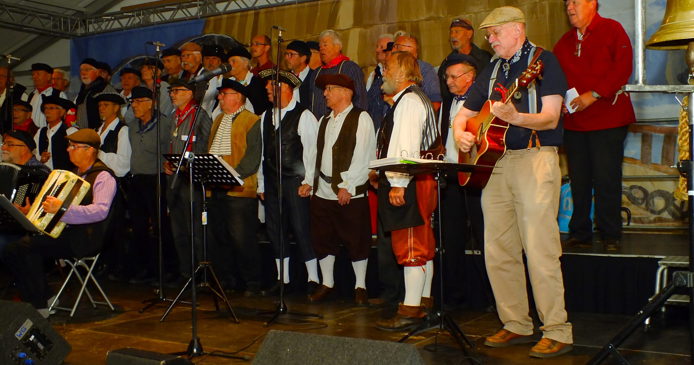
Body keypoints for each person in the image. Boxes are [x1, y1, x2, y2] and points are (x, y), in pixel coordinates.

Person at [452, 6, 573, 358]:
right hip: (495, 164)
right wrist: (461, 134)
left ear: (517, 30)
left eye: (494, 33)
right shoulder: (492, 69)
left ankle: (558, 330)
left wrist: (516, 116)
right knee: (498, 250)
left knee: (540, 249)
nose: (489, 39)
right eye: (488, 34)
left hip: (535, 160)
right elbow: (464, 114)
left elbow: (551, 119)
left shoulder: (544, 62)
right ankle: (516, 323)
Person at [2, 128, 117, 318]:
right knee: (15, 248)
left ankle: (40, 304)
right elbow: (54, 209)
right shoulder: (74, 174)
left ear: (90, 150)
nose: (68, 150)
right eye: (69, 146)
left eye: (74, 146)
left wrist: (63, 210)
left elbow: (100, 211)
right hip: (67, 233)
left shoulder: (104, 177)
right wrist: (31, 212)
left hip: (87, 238)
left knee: (23, 248)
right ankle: (43, 298)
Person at [554, 0, 635, 251]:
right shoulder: (564, 42)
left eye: (575, 2)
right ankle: (581, 232)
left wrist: (594, 94)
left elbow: (622, 68)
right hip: (575, 123)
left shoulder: (613, 29)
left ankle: (611, 234)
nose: (569, 7)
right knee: (578, 180)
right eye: (567, 3)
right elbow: (555, 77)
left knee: (606, 178)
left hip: (608, 119)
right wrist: (558, 101)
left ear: (593, 3)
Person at [373, 51, 439, 331]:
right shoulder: (412, 99)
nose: (383, 73)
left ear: (401, 72)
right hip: (420, 180)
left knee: (411, 244)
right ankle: (423, 302)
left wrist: (398, 183)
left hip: (411, 181)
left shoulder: (409, 102)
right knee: (422, 243)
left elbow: (406, 147)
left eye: (387, 68)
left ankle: (410, 311)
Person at [306, 74, 375, 306]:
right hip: (323, 189)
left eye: (329, 89)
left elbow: (363, 154)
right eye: (325, 89)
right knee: (323, 236)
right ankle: (327, 283)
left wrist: (348, 185)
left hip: (349, 190)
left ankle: (360, 286)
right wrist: (309, 180)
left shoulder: (361, 118)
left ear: (346, 92)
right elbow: (315, 153)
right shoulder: (325, 120)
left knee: (356, 237)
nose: (325, 94)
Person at [257, 69, 320, 294]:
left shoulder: (304, 115)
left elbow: (312, 151)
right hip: (273, 184)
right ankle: (282, 279)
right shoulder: (265, 116)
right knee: (276, 231)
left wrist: (309, 181)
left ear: (285, 89)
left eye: (270, 87)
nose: (267, 90)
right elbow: (263, 153)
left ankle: (313, 278)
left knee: (301, 228)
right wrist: (262, 184)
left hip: (295, 182)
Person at [206, 78, 263, 295]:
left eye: (224, 94)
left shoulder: (251, 120)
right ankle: (227, 280)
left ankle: (252, 282)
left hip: (239, 190)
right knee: (220, 238)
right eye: (220, 94)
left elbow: (253, 156)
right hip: (217, 188)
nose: (220, 97)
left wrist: (233, 175)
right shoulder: (218, 119)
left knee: (242, 238)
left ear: (238, 97)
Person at [163, 79, 212, 281]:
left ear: (190, 93)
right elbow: (169, 143)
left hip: (191, 177)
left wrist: (189, 164)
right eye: (171, 91)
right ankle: (186, 271)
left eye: (177, 91)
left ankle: (202, 271)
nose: (173, 94)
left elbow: (207, 145)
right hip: (173, 178)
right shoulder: (173, 116)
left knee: (194, 228)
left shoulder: (199, 115)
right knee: (178, 227)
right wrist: (166, 162)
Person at [125, 86, 173, 284]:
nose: (134, 106)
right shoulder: (131, 126)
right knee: (138, 226)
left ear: (151, 102)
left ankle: (167, 270)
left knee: (161, 226)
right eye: (132, 102)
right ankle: (144, 268)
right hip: (136, 180)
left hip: (157, 179)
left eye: (138, 102)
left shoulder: (165, 124)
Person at [439, 18, 492, 141]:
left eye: (457, 31)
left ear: (469, 34)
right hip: (451, 121)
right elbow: (444, 96)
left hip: (477, 123)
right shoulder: (446, 62)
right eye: (451, 32)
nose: (453, 36)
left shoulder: (485, 59)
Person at [307, 30, 367, 117]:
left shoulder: (350, 68)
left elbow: (361, 100)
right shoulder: (316, 73)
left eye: (325, 45)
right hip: (318, 126)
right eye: (320, 47)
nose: (321, 49)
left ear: (337, 47)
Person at [392, 34, 442, 113]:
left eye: (396, 46)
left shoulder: (425, 70)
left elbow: (435, 102)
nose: (393, 50)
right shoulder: (391, 69)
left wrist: (422, 121)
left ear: (411, 50)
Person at [34, 95, 77, 170]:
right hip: (44, 177)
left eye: (51, 108)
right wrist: (41, 160)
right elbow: (34, 155)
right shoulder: (41, 132)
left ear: (62, 112)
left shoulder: (70, 131)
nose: (47, 111)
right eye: (45, 108)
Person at [94, 92, 131, 178]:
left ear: (116, 108)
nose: (101, 108)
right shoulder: (97, 130)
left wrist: (97, 153)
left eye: (106, 105)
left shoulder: (123, 130)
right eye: (99, 105)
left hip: (113, 182)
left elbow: (123, 165)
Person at [75, 58, 117, 129]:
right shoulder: (83, 91)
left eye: (87, 70)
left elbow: (112, 113)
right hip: (83, 135)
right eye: (81, 70)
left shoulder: (105, 89)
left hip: (99, 134)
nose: (83, 73)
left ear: (97, 72)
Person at [365, 33, 393, 131]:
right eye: (377, 47)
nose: (377, 50)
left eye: (381, 47)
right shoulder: (373, 75)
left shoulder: (396, 76)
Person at [27, 63, 67, 129]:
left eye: (38, 74)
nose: (34, 77)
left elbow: (64, 117)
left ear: (48, 76)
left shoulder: (58, 94)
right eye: (33, 74)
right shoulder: (32, 95)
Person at [284, 40, 315, 108]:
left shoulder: (315, 77)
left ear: (303, 58)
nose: (286, 58)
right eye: (286, 54)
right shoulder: (284, 77)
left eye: (291, 54)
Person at [0, 66, 27, 134]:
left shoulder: (19, 94)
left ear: (10, 79)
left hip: (13, 134)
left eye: (2, 76)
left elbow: (24, 118)